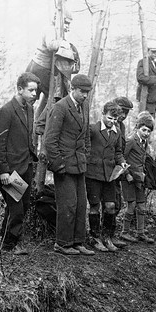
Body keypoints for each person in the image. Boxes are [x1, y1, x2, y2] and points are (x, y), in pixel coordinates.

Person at [45, 74, 94, 256]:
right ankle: (63, 243)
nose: (85, 95)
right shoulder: (60, 107)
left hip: (79, 164)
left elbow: (86, 134)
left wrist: (85, 156)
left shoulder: (85, 106)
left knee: (81, 204)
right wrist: (59, 165)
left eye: (87, 92)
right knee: (68, 205)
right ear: (72, 89)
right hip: (64, 166)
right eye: (82, 91)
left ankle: (78, 242)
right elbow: (50, 140)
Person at [0, 72, 40, 255]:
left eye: (36, 90)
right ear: (20, 89)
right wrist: (3, 170)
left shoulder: (29, 109)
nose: (34, 94)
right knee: (16, 207)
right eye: (31, 90)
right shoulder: (6, 111)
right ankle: (12, 244)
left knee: (23, 205)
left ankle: (6, 242)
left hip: (26, 166)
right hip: (11, 170)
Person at [86, 101, 128, 252]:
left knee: (110, 206)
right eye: (110, 118)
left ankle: (107, 237)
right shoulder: (93, 129)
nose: (112, 122)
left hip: (109, 175)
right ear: (103, 114)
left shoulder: (117, 132)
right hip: (93, 174)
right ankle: (95, 237)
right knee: (95, 207)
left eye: (115, 120)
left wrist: (122, 163)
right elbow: (85, 147)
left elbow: (118, 152)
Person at [30, 12, 80, 137]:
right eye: (66, 23)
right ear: (58, 20)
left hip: (42, 67)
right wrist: (63, 43)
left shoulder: (57, 32)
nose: (68, 27)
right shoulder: (51, 29)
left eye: (69, 24)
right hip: (41, 67)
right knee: (54, 95)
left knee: (49, 96)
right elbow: (51, 45)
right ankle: (39, 124)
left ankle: (38, 122)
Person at [119, 114, 156, 243]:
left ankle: (140, 232)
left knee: (141, 206)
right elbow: (121, 158)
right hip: (129, 178)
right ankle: (125, 232)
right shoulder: (131, 140)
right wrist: (127, 174)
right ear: (138, 128)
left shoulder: (144, 143)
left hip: (140, 179)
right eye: (144, 130)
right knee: (131, 205)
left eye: (149, 131)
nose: (146, 133)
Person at [109, 96, 134, 248]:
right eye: (122, 111)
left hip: (118, 168)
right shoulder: (108, 122)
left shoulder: (122, 127)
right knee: (109, 203)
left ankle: (111, 234)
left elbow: (120, 149)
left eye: (126, 112)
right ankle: (103, 235)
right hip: (106, 168)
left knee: (117, 202)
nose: (123, 115)